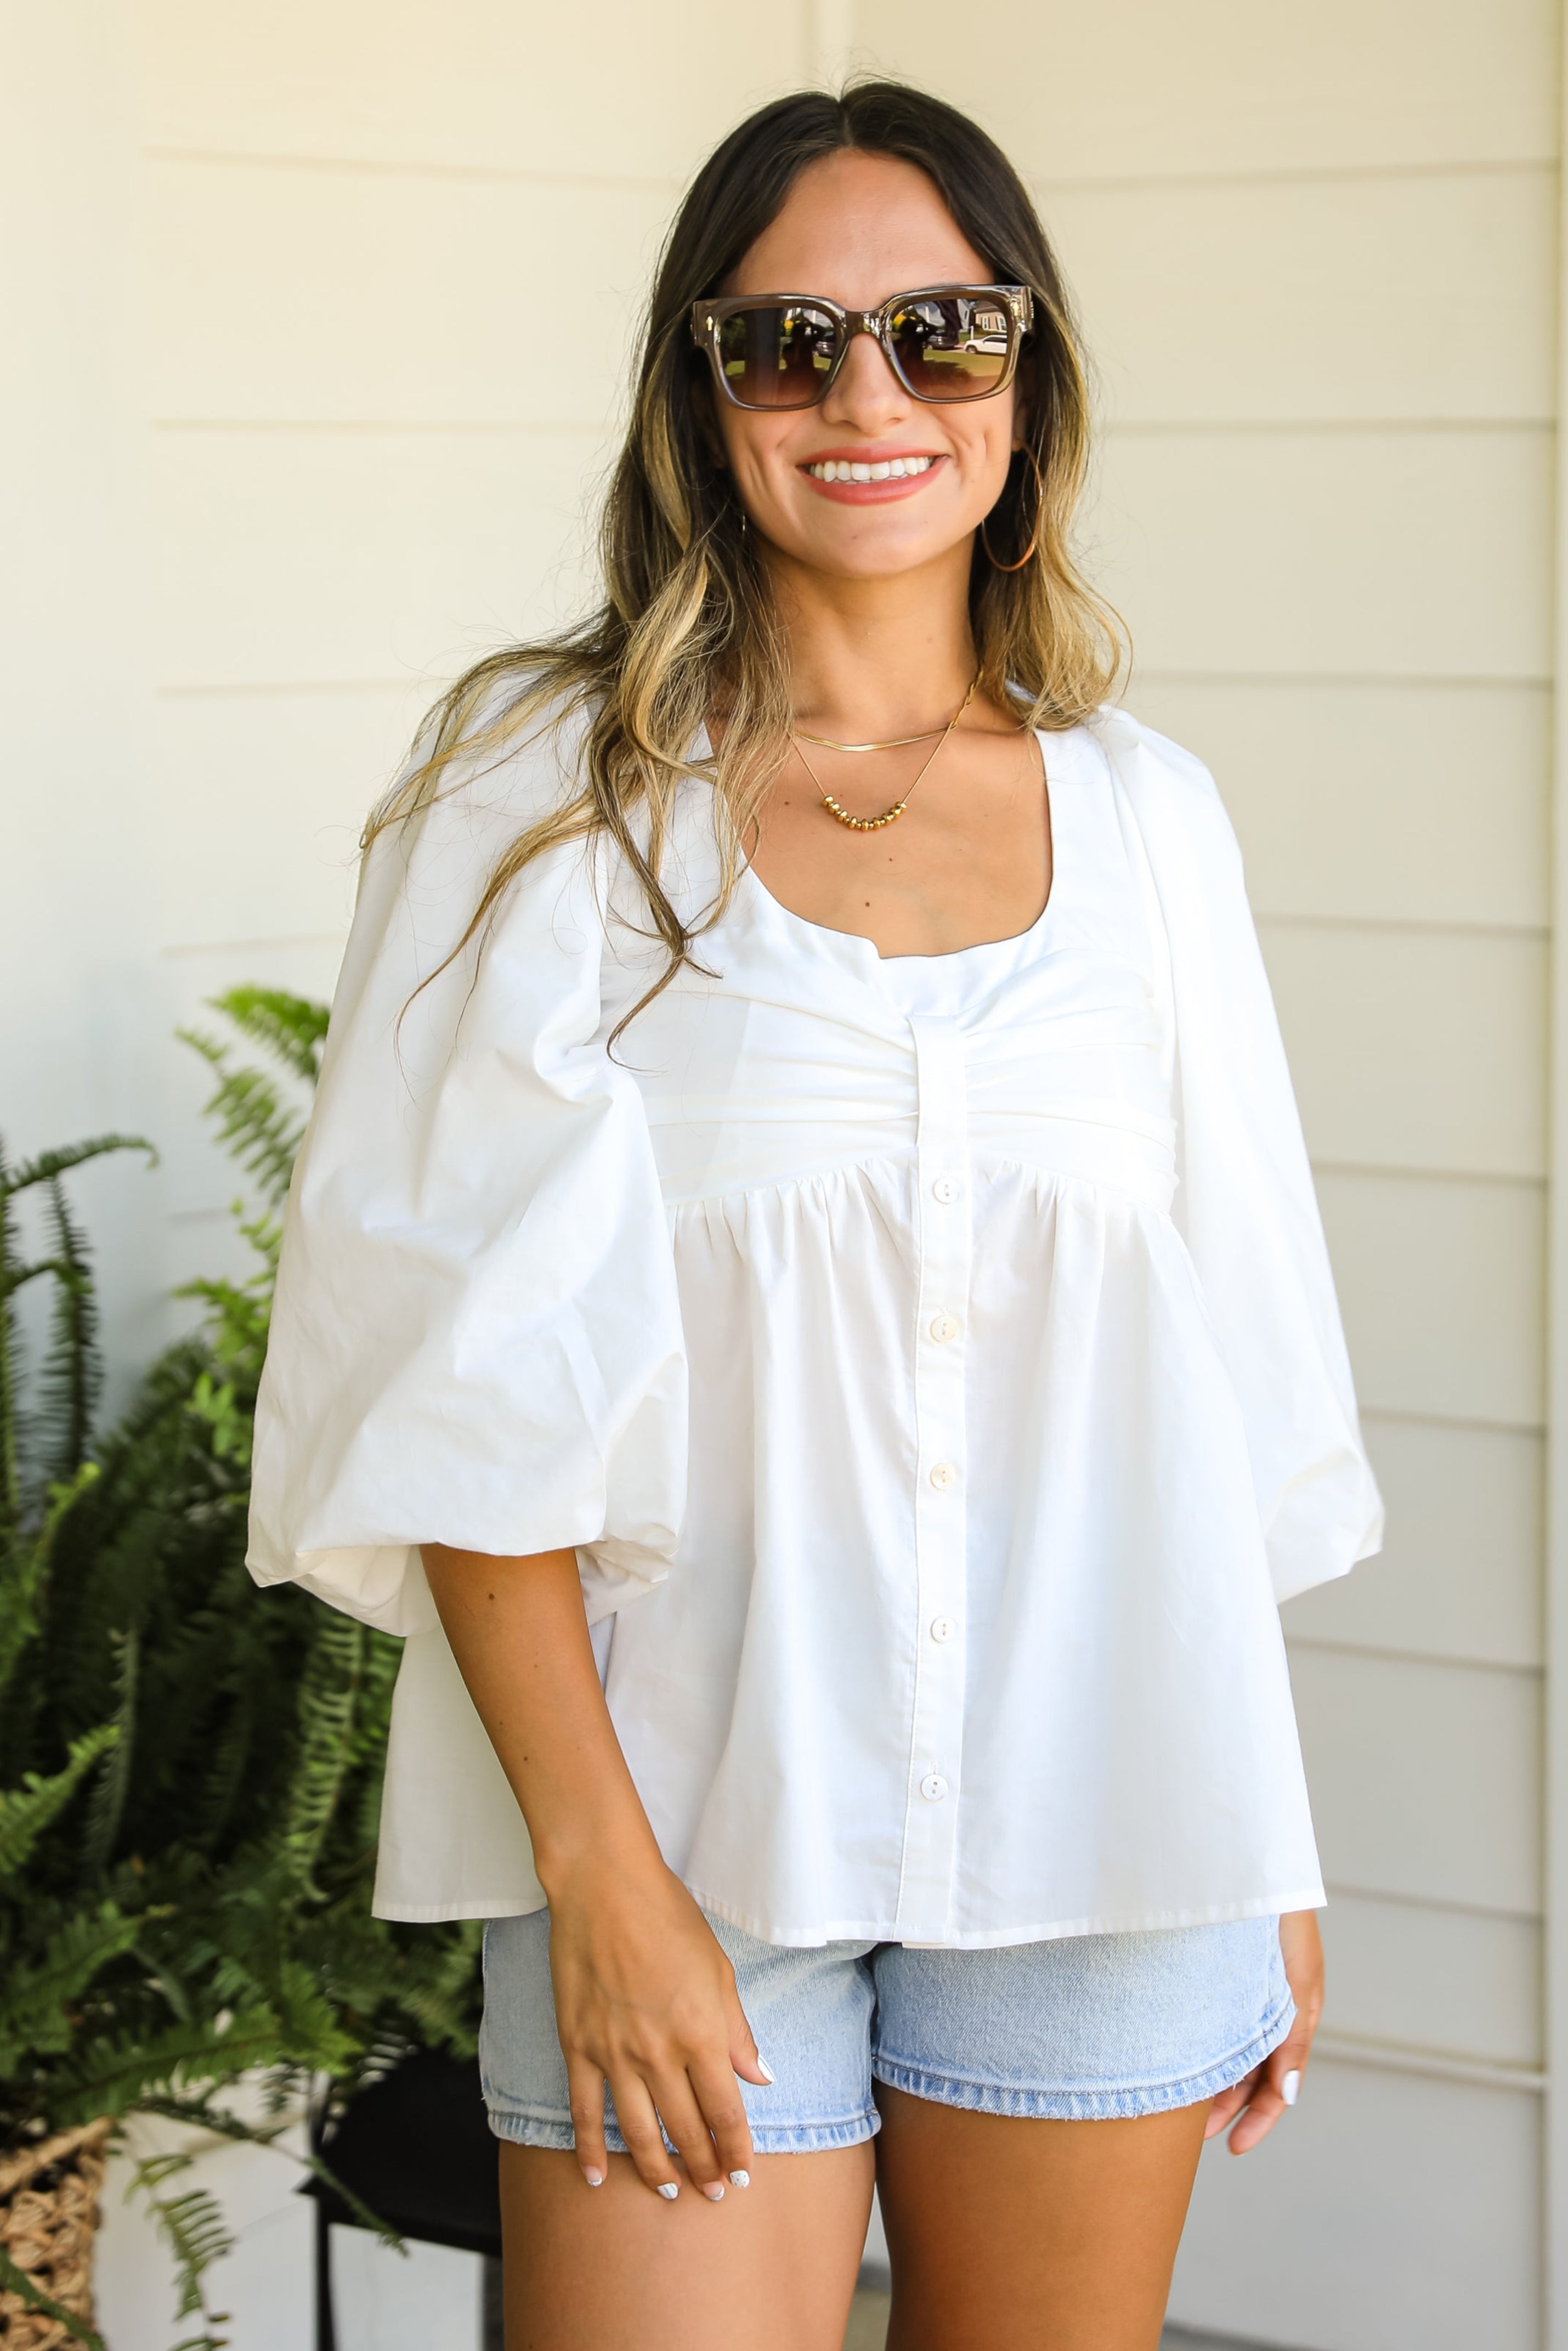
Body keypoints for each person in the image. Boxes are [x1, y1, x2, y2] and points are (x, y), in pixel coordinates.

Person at [248, 80, 1383, 2351]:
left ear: (1024, 375)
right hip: (679, 1827)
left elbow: (1222, 1368)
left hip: (1114, 1817)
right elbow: (461, 1394)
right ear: (704, 394)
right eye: (787, 344)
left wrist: (1257, 1846)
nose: (866, 396)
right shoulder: (547, 807)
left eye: (939, 333)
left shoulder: (1151, 825)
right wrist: (598, 1882)